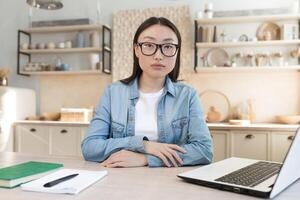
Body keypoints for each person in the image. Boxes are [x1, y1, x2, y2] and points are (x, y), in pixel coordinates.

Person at [81, 17, 213, 168]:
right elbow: (90, 148)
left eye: (168, 46)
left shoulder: (188, 96)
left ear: (177, 52)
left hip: (171, 182)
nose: (158, 55)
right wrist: (143, 145)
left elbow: (204, 151)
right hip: (119, 181)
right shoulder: (113, 93)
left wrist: (146, 159)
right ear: (137, 49)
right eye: (149, 45)